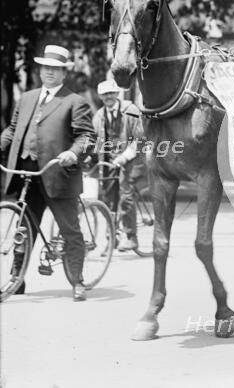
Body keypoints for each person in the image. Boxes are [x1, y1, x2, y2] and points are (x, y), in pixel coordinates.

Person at [0, 44, 96, 300]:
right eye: (46, 67)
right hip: (26, 172)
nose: (49, 72)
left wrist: (73, 153)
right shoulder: (27, 97)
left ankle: (77, 281)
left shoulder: (75, 102)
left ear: (64, 73)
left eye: (55, 69)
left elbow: (86, 136)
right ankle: (16, 280)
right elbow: (12, 130)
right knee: (23, 228)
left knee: (70, 231)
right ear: (40, 69)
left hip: (57, 173)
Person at [92, 79, 144, 251]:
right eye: (105, 94)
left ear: (117, 94)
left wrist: (123, 157)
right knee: (106, 199)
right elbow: (93, 140)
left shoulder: (131, 110)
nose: (109, 97)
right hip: (108, 161)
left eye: (111, 93)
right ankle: (111, 237)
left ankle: (131, 237)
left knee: (125, 194)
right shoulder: (99, 116)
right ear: (100, 96)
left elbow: (140, 139)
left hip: (131, 158)